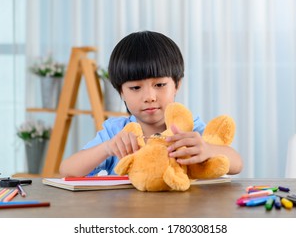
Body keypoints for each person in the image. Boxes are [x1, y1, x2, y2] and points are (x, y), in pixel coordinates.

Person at [59, 31, 243, 177]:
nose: (149, 97)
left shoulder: (188, 128)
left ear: (177, 85)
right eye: (135, 88)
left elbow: (237, 164)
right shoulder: (116, 131)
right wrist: (107, 148)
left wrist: (207, 149)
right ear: (121, 92)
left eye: (160, 85)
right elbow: (67, 170)